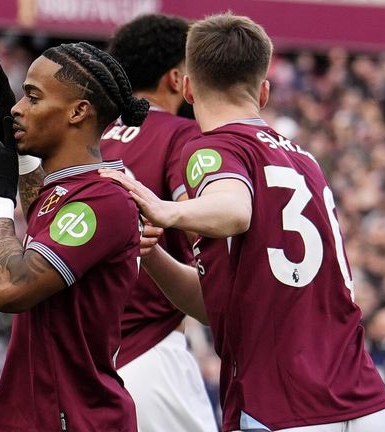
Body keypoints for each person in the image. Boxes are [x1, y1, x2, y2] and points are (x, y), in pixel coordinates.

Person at [102, 13, 385, 432]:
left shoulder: (210, 148)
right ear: (264, 92)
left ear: (187, 87)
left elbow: (235, 209)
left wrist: (168, 211)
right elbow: (212, 305)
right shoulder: (303, 158)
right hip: (361, 395)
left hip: (282, 401)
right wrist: (152, 254)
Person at [0, 42, 149, 431]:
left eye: (33, 97)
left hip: (74, 417)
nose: (17, 109)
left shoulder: (102, 199)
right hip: (43, 413)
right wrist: (19, 154)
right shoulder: (71, 190)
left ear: (78, 111)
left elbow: (10, 289)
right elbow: (43, 215)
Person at [100, 14, 218, 432]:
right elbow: (203, 226)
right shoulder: (181, 134)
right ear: (175, 78)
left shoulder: (87, 134)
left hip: (81, 356)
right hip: (148, 352)